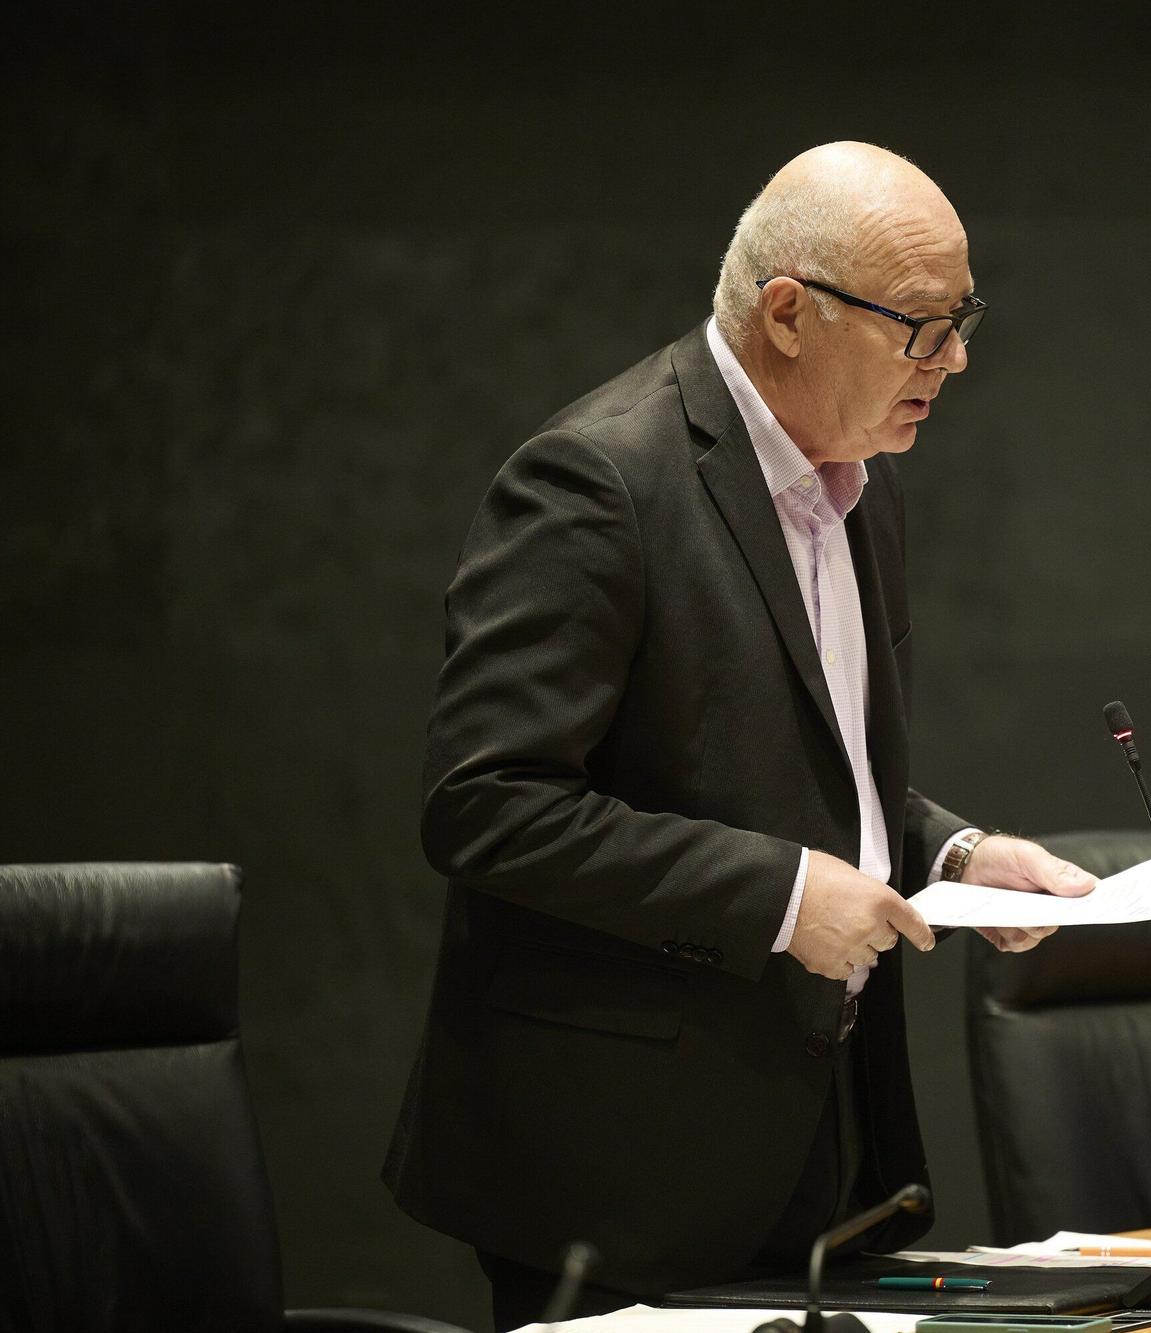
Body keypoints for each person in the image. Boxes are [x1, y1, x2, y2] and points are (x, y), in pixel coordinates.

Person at [382, 142, 1096, 1327]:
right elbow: (485, 801)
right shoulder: (595, 481)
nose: (957, 358)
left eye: (964, 318)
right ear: (788, 313)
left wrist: (956, 856)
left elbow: (795, 768)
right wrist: (776, 895)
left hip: (823, 1146)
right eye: (924, 324)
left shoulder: (859, 475)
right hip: (617, 1171)